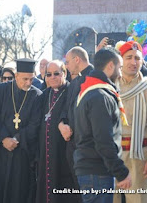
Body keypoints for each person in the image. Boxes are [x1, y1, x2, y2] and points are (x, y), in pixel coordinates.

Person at [0, 58, 42, 203]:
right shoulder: (1, 89)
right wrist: (4, 138)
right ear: (17, 75)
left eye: (31, 79)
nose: (28, 83)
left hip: (21, 152)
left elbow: (35, 124)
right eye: (25, 79)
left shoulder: (37, 95)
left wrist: (16, 139)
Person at [74, 48, 131, 203]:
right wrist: (121, 172)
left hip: (92, 169)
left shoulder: (89, 91)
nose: (120, 73)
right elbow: (103, 140)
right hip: (97, 171)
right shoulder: (100, 96)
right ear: (111, 66)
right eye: (119, 68)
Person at [114, 41, 147, 203]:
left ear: (143, 61)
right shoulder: (109, 87)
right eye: (128, 57)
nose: (133, 62)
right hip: (111, 155)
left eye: (137, 58)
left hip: (138, 157)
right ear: (120, 60)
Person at [36, 60, 79, 203]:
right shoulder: (44, 95)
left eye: (56, 73)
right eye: (49, 74)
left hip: (64, 151)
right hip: (46, 153)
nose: (52, 77)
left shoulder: (71, 92)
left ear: (64, 73)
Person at [58, 46, 94, 198]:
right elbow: (66, 109)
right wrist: (62, 125)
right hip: (73, 148)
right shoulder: (74, 81)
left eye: (67, 62)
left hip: (90, 149)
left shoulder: (96, 78)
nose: (66, 66)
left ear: (77, 59)